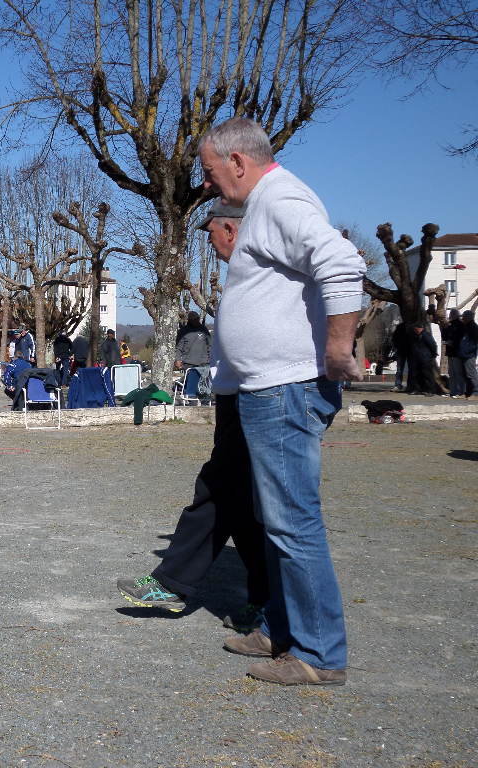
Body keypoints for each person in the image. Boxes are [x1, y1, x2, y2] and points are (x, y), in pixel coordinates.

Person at [197, 117, 365, 686]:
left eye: (210, 171)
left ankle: (319, 654)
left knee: (293, 521)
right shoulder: (267, 204)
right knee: (274, 519)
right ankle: (281, 629)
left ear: (237, 161)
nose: (209, 183)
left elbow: (341, 262)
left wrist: (339, 347)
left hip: (286, 388)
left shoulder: (281, 199)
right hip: (266, 388)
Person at [117, 201, 268, 632]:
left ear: (231, 230)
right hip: (234, 395)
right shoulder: (243, 272)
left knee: (227, 492)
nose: (209, 240)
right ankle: (263, 598)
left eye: (211, 231)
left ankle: (177, 583)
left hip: (258, 396)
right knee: (236, 499)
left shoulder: (263, 269)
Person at [176, 311, 212, 398]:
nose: (196, 321)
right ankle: (190, 395)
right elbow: (178, 348)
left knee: (203, 383)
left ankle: (203, 396)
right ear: (189, 320)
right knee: (191, 380)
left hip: (204, 362)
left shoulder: (203, 329)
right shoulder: (183, 331)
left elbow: (210, 345)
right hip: (188, 362)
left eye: (197, 319)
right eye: (194, 319)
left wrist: (211, 357)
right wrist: (177, 359)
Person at [404, 321, 439, 395]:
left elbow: (433, 345)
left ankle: (430, 390)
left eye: (415, 328)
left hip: (425, 358)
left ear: (419, 328)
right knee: (416, 375)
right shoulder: (415, 336)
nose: (414, 330)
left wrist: (433, 354)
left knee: (427, 375)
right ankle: (417, 389)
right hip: (416, 358)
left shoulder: (425, 335)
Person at [444, 309, 467, 398]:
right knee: (451, 372)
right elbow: (445, 336)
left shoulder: (460, 325)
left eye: (451, 314)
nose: (450, 316)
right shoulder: (449, 325)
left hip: (457, 352)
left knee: (458, 372)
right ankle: (453, 391)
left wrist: (453, 342)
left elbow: (461, 338)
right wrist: (445, 327)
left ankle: (460, 391)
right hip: (450, 352)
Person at [458, 310, 478, 398]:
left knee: (471, 374)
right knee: (465, 374)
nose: (462, 318)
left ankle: (476, 392)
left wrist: (468, 351)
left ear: (468, 317)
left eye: (464, 317)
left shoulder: (473, 327)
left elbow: (474, 343)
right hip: (463, 354)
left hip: (469, 355)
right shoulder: (465, 327)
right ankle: (467, 393)